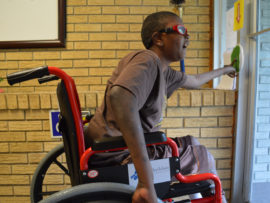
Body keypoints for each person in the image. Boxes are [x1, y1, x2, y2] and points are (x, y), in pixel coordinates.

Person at [84, 11, 235, 203]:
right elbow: (120, 96)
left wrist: (227, 69)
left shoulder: (164, 71)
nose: (187, 37)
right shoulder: (147, 60)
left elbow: (196, 80)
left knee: (192, 141)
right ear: (158, 38)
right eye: (181, 30)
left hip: (118, 151)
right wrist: (146, 182)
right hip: (119, 158)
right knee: (202, 155)